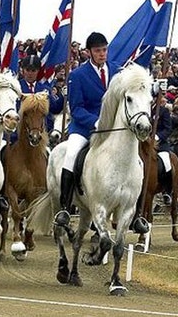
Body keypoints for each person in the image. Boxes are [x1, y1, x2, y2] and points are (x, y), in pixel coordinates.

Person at [53, 32, 153, 233]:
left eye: (104, 50)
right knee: (71, 154)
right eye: (98, 51)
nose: (102, 54)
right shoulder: (77, 75)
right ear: (88, 52)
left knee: (139, 160)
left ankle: (136, 214)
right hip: (85, 127)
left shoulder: (118, 72)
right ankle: (64, 208)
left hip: (115, 128)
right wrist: (96, 122)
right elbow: (77, 107)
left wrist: (155, 88)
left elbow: (134, 95)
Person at [18, 55, 64, 133]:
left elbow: (55, 108)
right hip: (21, 131)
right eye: (27, 70)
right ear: (23, 70)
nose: (30, 73)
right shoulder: (17, 88)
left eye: (33, 70)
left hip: (44, 131)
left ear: (38, 71)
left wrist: (62, 95)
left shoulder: (44, 89)